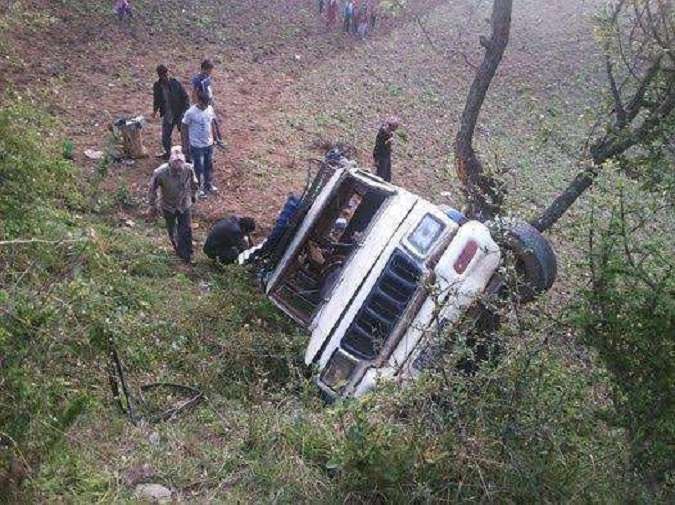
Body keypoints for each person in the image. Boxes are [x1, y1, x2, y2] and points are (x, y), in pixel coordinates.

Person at [148, 147, 199, 264]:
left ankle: (188, 254)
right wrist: (152, 205)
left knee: (186, 229)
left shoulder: (188, 168)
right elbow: (152, 189)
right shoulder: (160, 173)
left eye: (181, 167)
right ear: (170, 163)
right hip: (168, 206)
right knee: (172, 229)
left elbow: (194, 183)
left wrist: (193, 195)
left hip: (184, 204)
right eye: (176, 168)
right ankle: (178, 250)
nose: (179, 171)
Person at [181, 91, 223, 197]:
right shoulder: (191, 113)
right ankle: (198, 188)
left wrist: (215, 138)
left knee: (209, 165)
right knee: (198, 168)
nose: (205, 106)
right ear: (199, 101)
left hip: (208, 144)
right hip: (196, 145)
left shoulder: (209, 109)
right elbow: (184, 127)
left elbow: (212, 123)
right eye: (204, 104)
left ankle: (208, 185)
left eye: (207, 104)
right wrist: (185, 145)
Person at [152, 64, 189, 160]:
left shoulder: (175, 83)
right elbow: (156, 99)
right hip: (168, 114)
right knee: (165, 136)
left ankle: (187, 155)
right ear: (160, 76)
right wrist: (155, 111)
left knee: (184, 135)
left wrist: (185, 112)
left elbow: (185, 97)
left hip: (179, 113)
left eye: (166, 75)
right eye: (163, 76)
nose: (166, 77)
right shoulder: (157, 86)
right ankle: (168, 153)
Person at [372, 117, 400, 182]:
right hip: (381, 155)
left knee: (387, 176)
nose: (395, 130)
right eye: (394, 127)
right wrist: (388, 142)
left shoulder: (389, 132)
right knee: (381, 175)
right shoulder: (382, 133)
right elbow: (379, 146)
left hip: (386, 155)